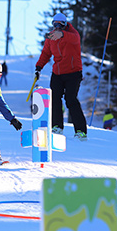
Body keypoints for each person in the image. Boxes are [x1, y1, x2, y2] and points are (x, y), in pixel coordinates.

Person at [34, 12, 87, 140]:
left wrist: (62, 34)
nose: (57, 27)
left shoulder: (72, 34)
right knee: (54, 98)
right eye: (55, 24)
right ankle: (57, 126)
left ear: (65, 24)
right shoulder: (51, 37)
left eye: (60, 25)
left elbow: (74, 39)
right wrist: (39, 67)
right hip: (57, 73)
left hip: (73, 73)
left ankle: (81, 130)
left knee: (71, 99)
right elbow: (46, 53)